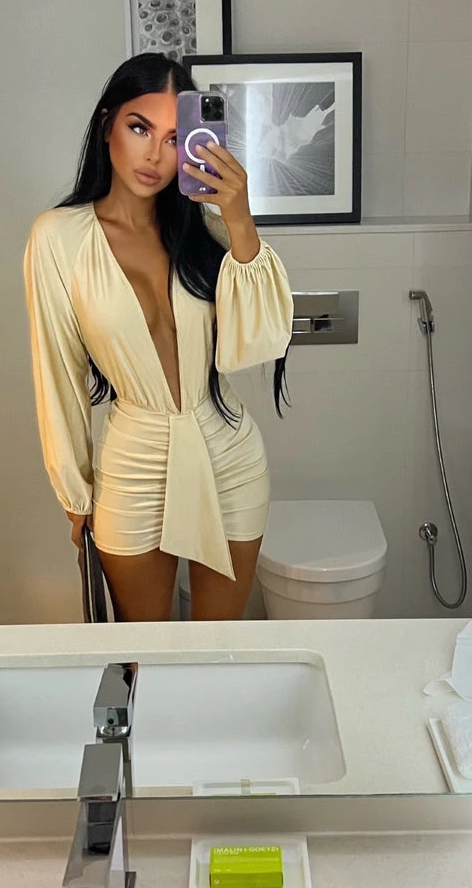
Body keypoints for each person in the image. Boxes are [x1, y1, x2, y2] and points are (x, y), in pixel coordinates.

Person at [24, 52, 293, 622]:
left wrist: (240, 216)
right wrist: (76, 496)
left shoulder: (206, 229)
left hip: (228, 452)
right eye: (140, 128)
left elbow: (263, 338)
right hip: (134, 462)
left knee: (219, 647)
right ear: (107, 125)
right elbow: (57, 372)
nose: (154, 155)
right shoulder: (58, 238)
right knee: (142, 652)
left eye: (174, 138)